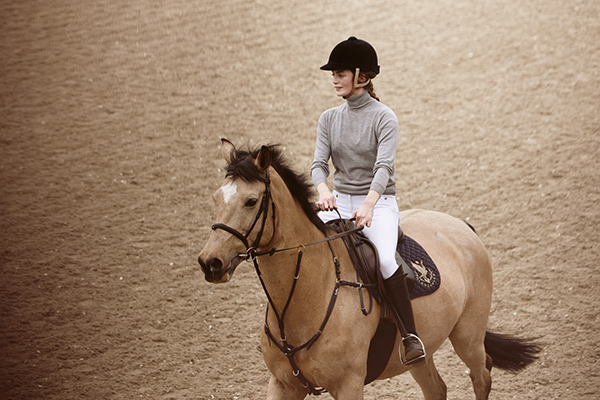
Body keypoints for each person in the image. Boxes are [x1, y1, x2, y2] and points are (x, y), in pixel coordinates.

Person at [311, 36, 425, 365]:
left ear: (362, 77)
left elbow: (383, 167)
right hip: (340, 201)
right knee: (304, 248)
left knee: (386, 260)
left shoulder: (384, 117)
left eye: (340, 72)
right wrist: (323, 191)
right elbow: (319, 165)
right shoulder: (328, 119)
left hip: (379, 202)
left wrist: (369, 204)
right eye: (333, 73)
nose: (334, 78)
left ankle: (410, 336)